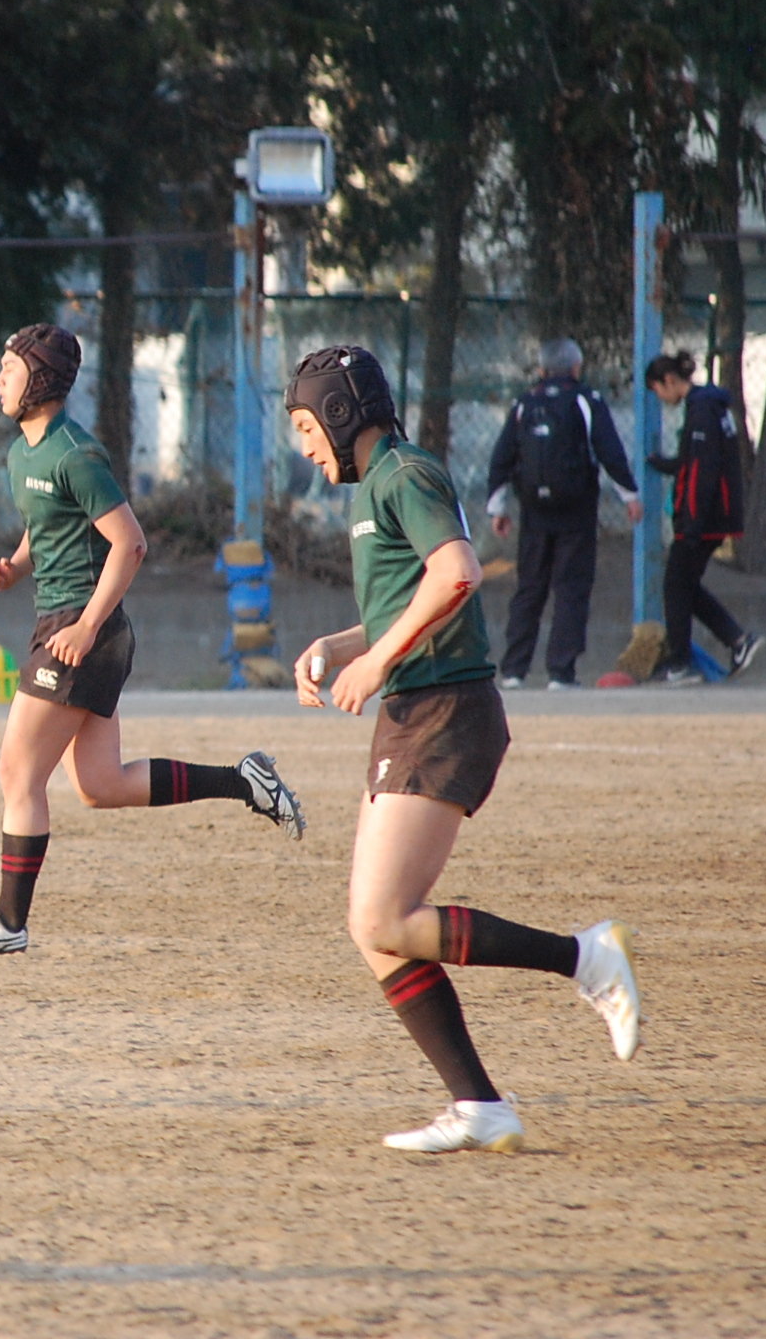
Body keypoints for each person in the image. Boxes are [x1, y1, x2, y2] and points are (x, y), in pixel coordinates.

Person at [285, 345, 642, 1154]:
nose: (304, 443)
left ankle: (585, 958)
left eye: (309, 425)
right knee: (372, 927)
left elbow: (457, 573)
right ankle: (480, 1106)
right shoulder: (374, 487)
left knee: (381, 917)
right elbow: (405, 602)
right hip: (417, 706)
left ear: (343, 416)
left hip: (446, 708)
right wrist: (344, 648)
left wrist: (375, 661)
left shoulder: (404, 475)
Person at [0, 324, 305, 956]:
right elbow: (44, 529)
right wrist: (12, 567)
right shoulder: (24, 452)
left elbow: (129, 543)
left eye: (9, 369)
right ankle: (246, 780)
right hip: (67, 625)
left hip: (83, 630)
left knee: (18, 772)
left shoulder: (76, 452)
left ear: (41, 380)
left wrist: (85, 625)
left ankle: (8, 922)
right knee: (101, 785)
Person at [485, 337, 643, 690]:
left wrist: (497, 507)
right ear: (576, 367)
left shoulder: (525, 403)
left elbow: (502, 456)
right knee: (571, 588)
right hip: (576, 510)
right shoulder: (586, 400)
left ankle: (513, 670)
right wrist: (629, 495)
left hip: (533, 512)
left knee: (529, 587)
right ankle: (560, 672)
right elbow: (609, 450)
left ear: (541, 370)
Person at [644, 352, 766, 685]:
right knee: (684, 585)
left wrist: (691, 523)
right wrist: (665, 464)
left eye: (658, 391)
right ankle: (738, 641)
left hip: (705, 517)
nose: (661, 399)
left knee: (675, 584)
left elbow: (702, 471)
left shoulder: (701, 411)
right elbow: (692, 461)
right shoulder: (709, 407)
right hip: (714, 515)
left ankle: (681, 663)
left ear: (670, 381)